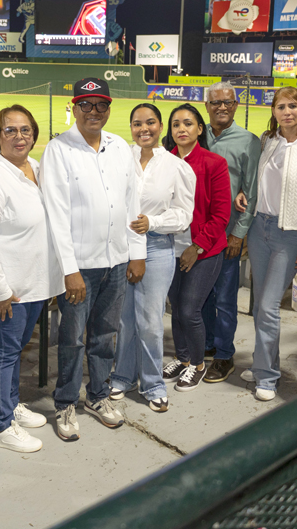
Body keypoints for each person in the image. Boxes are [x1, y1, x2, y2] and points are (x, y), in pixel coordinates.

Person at [40, 77, 146, 441]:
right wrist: (69, 270)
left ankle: (98, 396)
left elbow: (132, 204)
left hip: (117, 261)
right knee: (72, 338)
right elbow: (56, 214)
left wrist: (137, 253)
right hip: (81, 266)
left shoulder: (119, 147)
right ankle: (66, 401)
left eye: (101, 105)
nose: (94, 112)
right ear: (75, 107)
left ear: (109, 108)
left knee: (105, 335)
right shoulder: (59, 149)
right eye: (86, 104)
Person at [0, 105, 64, 452]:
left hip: (34, 283)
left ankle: (10, 404)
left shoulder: (36, 169)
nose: (19, 137)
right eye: (10, 130)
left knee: (15, 351)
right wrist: (0, 291)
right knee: (4, 354)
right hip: (7, 289)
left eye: (25, 130)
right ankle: (1, 425)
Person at [236, 87, 297, 401]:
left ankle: (267, 377)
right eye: (280, 107)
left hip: (289, 234)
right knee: (261, 301)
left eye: (292, 106)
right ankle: (264, 362)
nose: (287, 112)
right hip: (260, 227)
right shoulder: (268, 141)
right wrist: (247, 200)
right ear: (273, 111)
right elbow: (261, 182)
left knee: (268, 306)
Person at [108, 103, 195, 411]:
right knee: (125, 319)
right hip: (121, 248)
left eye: (150, 123)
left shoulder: (176, 166)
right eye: (136, 123)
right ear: (130, 127)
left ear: (160, 127)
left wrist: (153, 222)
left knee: (150, 322)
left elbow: (184, 215)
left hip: (157, 247)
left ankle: (153, 383)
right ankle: (122, 376)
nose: (143, 129)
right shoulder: (119, 158)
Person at [162, 104, 230, 392]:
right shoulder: (163, 161)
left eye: (188, 123)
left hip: (205, 249)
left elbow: (221, 215)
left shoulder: (214, 163)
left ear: (199, 129)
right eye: (176, 124)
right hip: (170, 247)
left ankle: (198, 365)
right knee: (176, 308)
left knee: (190, 310)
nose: (181, 129)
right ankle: (182, 356)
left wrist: (197, 247)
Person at [200, 82, 261, 383]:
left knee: (224, 298)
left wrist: (239, 233)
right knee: (201, 296)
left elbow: (250, 190)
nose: (221, 107)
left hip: (226, 234)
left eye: (227, 102)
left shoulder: (249, 141)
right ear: (207, 106)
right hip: (197, 234)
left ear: (236, 105)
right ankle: (208, 345)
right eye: (215, 103)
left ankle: (224, 355)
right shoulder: (196, 137)